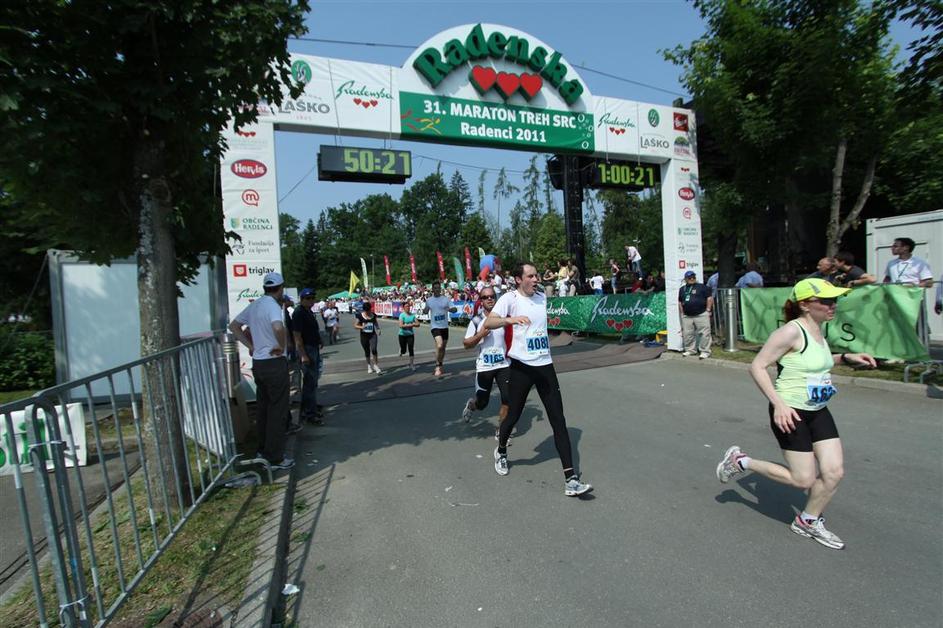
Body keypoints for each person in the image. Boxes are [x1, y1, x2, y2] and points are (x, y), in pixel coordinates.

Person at [715, 278, 876, 550]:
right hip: (791, 411)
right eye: (826, 301)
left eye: (834, 300)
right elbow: (757, 366)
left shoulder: (818, 330)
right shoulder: (791, 331)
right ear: (805, 305)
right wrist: (778, 404)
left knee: (834, 472)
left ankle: (807, 521)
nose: (832, 305)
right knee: (803, 479)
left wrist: (847, 358)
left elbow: (815, 364)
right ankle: (741, 462)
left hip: (818, 410)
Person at [484, 263, 592, 497]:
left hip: (545, 366)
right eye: (531, 276)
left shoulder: (542, 297)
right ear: (518, 279)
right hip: (521, 367)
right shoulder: (510, 299)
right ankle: (501, 450)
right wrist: (511, 320)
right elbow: (489, 323)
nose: (536, 279)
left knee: (558, 420)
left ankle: (571, 479)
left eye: (537, 276)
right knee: (513, 415)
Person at [228, 272, 294, 470]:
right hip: (274, 362)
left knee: (264, 409)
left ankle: (263, 451)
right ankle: (275, 457)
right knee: (277, 410)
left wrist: (250, 346)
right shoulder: (272, 305)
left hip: (259, 363)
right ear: (280, 288)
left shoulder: (255, 304)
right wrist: (280, 346)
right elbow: (278, 327)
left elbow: (234, 326)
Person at [461, 287, 511, 436]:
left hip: (504, 365)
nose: (489, 299)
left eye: (492, 296)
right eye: (485, 297)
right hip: (485, 367)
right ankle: (472, 405)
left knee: (508, 399)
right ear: (481, 301)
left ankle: (501, 432)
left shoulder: (503, 318)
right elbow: (466, 344)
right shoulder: (477, 320)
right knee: (482, 403)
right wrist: (480, 335)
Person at [292, 288, 324, 425]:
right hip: (307, 349)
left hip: (313, 347)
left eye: (312, 298)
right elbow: (297, 335)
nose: (311, 300)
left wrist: (319, 340)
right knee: (310, 381)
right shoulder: (299, 313)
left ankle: (310, 407)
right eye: (308, 298)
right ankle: (310, 413)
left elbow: (313, 329)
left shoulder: (308, 311)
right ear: (302, 299)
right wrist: (303, 354)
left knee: (313, 380)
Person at [424, 281, 457, 377]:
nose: (437, 289)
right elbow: (425, 310)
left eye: (438, 288)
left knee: (443, 348)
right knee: (439, 345)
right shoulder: (429, 300)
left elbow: (454, 309)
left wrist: (451, 309)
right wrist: (425, 310)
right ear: (432, 289)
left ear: (440, 289)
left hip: (444, 327)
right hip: (435, 326)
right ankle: (438, 366)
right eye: (435, 288)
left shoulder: (446, 299)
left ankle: (440, 363)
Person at [678, 270, 713, 359]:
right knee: (687, 334)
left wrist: (708, 310)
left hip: (701, 314)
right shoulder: (682, 289)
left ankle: (705, 351)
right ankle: (690, 350)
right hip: (687, 315)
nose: (692, 279)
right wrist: (682, 313)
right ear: (685, 279)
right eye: (689, 277)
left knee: (704, 333)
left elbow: (709, 298)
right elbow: (680, 301)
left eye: (693, 277)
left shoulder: (702, 287)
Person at [354, 301, 382, 374]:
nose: (368, 312)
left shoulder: (373, 315)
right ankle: (369, 365)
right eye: (366, 311)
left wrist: (378, 329)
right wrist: (362, 327)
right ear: (364, 310)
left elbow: (375, 323)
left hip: (372, 335)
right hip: (364, 336)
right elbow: (355, 325)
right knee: (367, 351)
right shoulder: (360, 316)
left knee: (374, 349)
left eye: (369, 310)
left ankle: (376, 365)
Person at [397, 300, 420, 370]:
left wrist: (413, 324)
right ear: (403, 308)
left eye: (409, 306)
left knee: (411, 348)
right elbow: (400, 325)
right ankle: (401, 350)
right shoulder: (402, 315)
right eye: (406, 306)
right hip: (402, 335)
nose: (408, 308)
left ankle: (411, 364)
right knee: (404, 351)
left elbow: (418, 324)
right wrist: (411, 325)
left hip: (410, 335)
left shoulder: (412, 315)